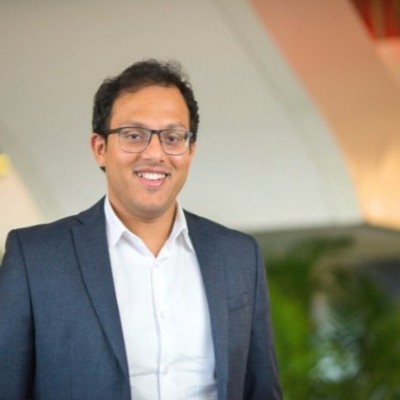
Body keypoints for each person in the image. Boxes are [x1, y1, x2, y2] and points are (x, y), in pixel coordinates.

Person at [0, 59, 281, 400]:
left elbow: (261, 390)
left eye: (173, 137)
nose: (155, 154)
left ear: (190, 150)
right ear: (100, 149)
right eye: (134, 136)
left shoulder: (237, 256)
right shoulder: (36, 258)